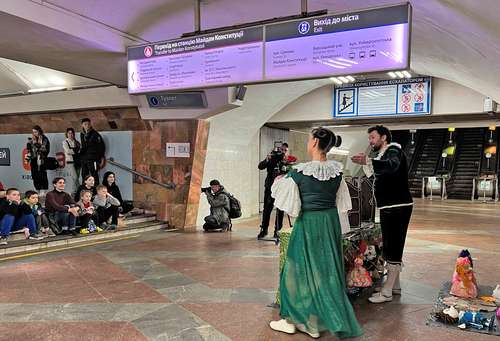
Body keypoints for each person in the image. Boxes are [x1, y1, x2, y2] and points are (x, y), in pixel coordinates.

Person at [269, 127, 363, 339]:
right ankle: (313, 322)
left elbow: (291, 207)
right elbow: (342, 205)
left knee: (295, 269)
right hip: (329, 223)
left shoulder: (299, 172)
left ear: (313, 143)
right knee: (324, 270)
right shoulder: (337, 172)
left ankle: (291, 319)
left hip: (309, 222)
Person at [351, 125, 413, 304]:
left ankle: (387, 293)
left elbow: (391, 167)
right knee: (391, 246)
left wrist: (368, 161)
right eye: (369, 138)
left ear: (383, 137)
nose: (370, 142)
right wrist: (369, 162)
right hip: (391, 206)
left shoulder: (394, 150)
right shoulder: (383, 154)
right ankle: (394, 286)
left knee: (394, 247)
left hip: (397, 206)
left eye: (373, 138)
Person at [257, 142, 289, 239]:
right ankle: (264, 230)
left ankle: (278, 231)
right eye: (281, 150)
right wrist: (268, 159)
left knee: (280, 210)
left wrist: (286, 164)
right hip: (269, 187)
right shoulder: (272, 157)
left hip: (281, 188)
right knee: (267, 209)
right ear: (278, 150)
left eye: (285, 151)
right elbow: (260, 166)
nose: (282, 152)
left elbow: (290, 172)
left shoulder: (287, 160)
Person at [80, 118, 105, 184]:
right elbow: (83, 146)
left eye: (88, 124)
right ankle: (85, 191)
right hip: (84, 159)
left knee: (94, 175)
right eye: (85, 124)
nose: (87, 126)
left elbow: (101, 146)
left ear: (90, 124)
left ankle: (96, 191)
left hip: (93, 158)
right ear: (82, 125)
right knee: (84, 175)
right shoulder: (82, 134)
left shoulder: (95, 134)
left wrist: (101, 157)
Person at [26, 125, 50, 193]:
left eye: (36, 132)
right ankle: (37, 190)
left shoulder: (44, 139)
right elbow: (28, 147)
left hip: (41, 159)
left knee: (42, 175)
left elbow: (44, 149)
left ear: (39, 131)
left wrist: (36, 144)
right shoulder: (31, 139)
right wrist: (29, 149)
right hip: (33, 160)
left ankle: (44, 190)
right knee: (34, 175)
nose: (34, 133)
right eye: (33, 132)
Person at [62, 128, 81, 195]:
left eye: (72, 133)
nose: (71, 134)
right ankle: (79, 190)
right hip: (70, 162)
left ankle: (75, 192)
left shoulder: (77, 142)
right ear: (67, 134)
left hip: (78, 161)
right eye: (69, 133)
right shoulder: (65, 142)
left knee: (76, 178)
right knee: (75, 177)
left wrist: (75, 151)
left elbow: (80, 151)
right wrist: (76, 150)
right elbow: (68, 151)